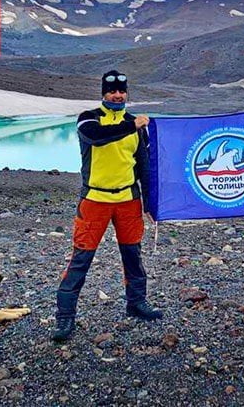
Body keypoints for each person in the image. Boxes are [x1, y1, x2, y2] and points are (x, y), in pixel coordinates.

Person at [52, 70, 162, 342]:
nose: (117, 95)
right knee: (81, 259)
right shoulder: (89, 119)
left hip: (127, 199)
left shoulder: (134, 125)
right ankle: (65, 318)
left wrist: (149, 202)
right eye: (112, 91)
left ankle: (136, 304)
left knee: (133, 256)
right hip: (95, 200)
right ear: (103, 92)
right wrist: (132, 125)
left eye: (122, 91)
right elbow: (98, 136)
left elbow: (144, 166)